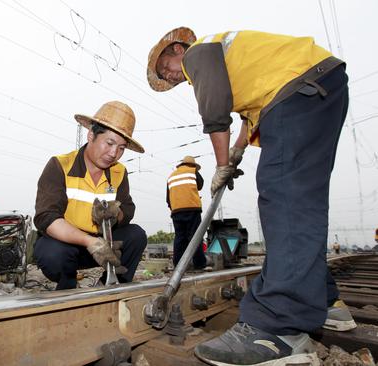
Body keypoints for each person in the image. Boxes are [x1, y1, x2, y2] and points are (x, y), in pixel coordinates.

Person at [148, 28, 355, 365]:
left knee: (284, 200)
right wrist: (238, 150)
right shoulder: (244, 66)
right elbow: (248, 118)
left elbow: (214, 112)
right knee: (301, 202)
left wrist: (221, 165)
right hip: (319, 87)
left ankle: (277, 327)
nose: (171, 77)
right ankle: (328, 302)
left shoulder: (200, 53)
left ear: (176, 48)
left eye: (165, 68)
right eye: (166, 78)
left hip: (298, 92)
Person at [33, 101, 147, 290]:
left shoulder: (119, 172)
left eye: (121, 148)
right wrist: (89, 242)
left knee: (137, 236)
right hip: (67, 245)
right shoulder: (60, 165)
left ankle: (110, 285)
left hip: (103, 246)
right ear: (91, 135)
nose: (114, 153)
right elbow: (46, 217)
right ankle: (67, 285)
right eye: (109, 143)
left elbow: (128, 208)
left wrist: (116, 215)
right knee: (50, 253)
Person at [166, 156, 206, 269]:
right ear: (193, 165)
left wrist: (174, 208)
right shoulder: (193, 171)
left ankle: (178, 264)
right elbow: (200, 185)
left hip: (176, 211)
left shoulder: (171, 176)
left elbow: (168, 198)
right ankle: (199, 264)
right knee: (195, 237)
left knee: (180, 237)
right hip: (192, 209)